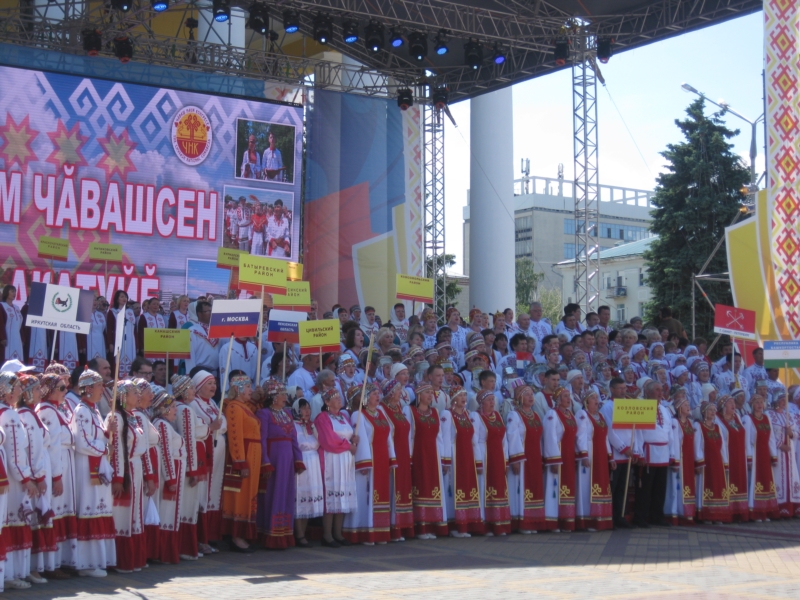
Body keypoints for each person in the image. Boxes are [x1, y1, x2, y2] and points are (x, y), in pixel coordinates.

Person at [70, 368, 116, 577]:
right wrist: (104, 447)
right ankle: (86, 564)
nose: (101, 390)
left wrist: (108, 431)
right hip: (86, 466)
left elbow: (97, 436)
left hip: (97, 465)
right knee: (89, 508)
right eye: (98, 386)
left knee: (100, 509)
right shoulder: (81, 411)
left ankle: (98, 560)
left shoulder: (95, 410)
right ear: (88, 388)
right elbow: (82, 442)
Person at [344, 384, 395, 545]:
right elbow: (362, 439)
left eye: (378, 393)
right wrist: (364, 463)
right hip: (369, 460)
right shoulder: (359, 415)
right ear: (366, 398)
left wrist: (392, 458)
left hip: (382, 458)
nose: (377, 396)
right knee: (365, 495)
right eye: (373, 394)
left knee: (381, 494)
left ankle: (380, 532)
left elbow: (389, 436)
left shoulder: (381, 413)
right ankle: (365, 532)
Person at [256, 380, 304, 549]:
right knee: (271, 495)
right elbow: (261, 439)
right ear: (274, 397)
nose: (285, 397)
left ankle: (283, 533)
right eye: (282, 394)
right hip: (274, 460)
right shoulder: (264, 414)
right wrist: (265, 461)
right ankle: (269, 535)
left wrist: (298, 460)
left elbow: (294, 439)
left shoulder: (288, 414)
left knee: (286, 495)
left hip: (288, 460)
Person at [15, 374, 54, 584]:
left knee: (35, 519)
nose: (41, 392)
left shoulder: (31, 414)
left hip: (37, 471)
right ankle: (31, 568)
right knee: (33, 519)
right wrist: (38, 477)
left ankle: (35, 567)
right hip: (33, 473)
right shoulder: (27, 416)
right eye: (37, 389)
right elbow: (33, 450)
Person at [106, 380, 147, 573]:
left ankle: (135, 558)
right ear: (123, 396)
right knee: (123, 515)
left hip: (136, 467)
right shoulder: (116, 417)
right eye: (133, 392)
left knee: (135, 513)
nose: (138, 395)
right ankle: (120, 560)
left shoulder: (133, 417)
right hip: (126, 469)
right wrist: (118, 478)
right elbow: (117, 450)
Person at [0, 372, 35, 589]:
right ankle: (10, 574)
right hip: (12, 479)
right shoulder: (10, 416)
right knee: (10, 523)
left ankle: (10, 573)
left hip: (8, 474)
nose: (21, 391)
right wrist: (25, 479)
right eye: (17, 387)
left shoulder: (6, 413)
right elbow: (15, 452)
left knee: (8, 523)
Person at [220, 375, 261, 552]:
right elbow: (235, 436)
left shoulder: (244, 407)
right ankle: (236, 536)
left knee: (249, 494)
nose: (250, 390)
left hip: (253, 453)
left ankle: (243, 534)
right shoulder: (234, 407)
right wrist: (240, 461)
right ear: (238, 389)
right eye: (247, 387)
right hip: (244, 455)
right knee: (240, 495)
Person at [314, 388, 357, 548]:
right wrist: (348, 445)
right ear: (326, 402)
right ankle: (327, 535)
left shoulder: (343, 417)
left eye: (340, 396)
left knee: (342, 495)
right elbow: (328, 440)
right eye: (335, 397)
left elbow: (346, 434)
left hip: (345, 460)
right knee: (331, 495)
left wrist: (353, 438)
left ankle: (338, 533)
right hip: (332, 459)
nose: (339, 399)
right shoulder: (322, 418)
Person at [406, 381, 448, 539]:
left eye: (431, 392)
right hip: (418, 454)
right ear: (418, 395)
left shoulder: (436, 413)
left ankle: (432, 525)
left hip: (433, 456)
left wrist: (443, 459)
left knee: (433, 488)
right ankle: (422, 527)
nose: (430, 395)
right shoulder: (411, 412)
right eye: (426, 392)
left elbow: (439, 438)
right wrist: (410, 458)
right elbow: (409, 437)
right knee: (421, 487)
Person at [191, 370, 226, 553]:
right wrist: (213, 427)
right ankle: (200, 539)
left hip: (217, 453)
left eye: (214, 383)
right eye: (209, 383)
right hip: (205, 454)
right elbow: (207, 425)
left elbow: (223, 424)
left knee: (213, 493)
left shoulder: (212, 403)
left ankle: (210, 536)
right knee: (202, 494)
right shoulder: (194, 404)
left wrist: (216, 427)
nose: (213, 386)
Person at [507, 385, 550, 534]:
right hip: (523, 457)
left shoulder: (536, 416)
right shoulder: (514, 415)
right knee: (522, 486)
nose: (531, 397)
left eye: (532, 394)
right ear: (519, 398)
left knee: (535, 486)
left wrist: (543, 458)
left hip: (535, 457)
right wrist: (516, 459)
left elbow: (541, 439)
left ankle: (534, 521)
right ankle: (523, 522)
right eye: (527, 395)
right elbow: (513, 437)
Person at [440, 386, 482, 537]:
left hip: (467, 455)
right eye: (460, 395)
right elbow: (445, 438)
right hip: (455, 455)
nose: (464, 398)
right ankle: (455, 525)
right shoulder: (447, 414)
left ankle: (467, 523)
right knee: (454, 488)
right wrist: (445, 460)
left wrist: (478, 460)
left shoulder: (467, 414)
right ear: (453, 399)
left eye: (465, 395)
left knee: (467, 487)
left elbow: (474, 440)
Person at [149, 390, 184, 564]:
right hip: (169, 475)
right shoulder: (162, 425)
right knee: (167, 514)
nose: (176, 410)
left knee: (171, 514)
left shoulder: (164, 425)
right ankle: (163, 552)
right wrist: (171, 479)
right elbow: (166, 454)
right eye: (173, 407)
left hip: (173, 471)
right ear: (164, 409)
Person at [470, 390, 511, 536]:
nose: (492, 403)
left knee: (499, 488)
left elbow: (504, 440)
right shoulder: (476, 417)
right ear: (481, 403)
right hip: (485, 454)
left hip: (498, 455)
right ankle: (486, 523)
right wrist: (478, 461)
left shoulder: (498, 416)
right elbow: (473, 440)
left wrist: (506, 459)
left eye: (493, 400)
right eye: (489, 400)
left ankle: (499, 523)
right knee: (485, 488)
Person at [379, 376, 414, 542]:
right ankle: (393, 527)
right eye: (399, 390)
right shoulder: (382, 409)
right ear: (391, 393)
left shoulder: (399, 407)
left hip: (404, 453)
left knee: (403, 488)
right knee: (394, 489)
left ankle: (403, 526)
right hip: (392, 454)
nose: (401, 392)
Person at [171, 375, 202, 560]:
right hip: (185, 464)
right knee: (187, 506)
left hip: (179, 462)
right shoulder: (186, 410)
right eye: (190, 388)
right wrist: (193, 469)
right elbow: (189, 440)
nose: (194, 391)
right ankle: (185, 548)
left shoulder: (177, 408)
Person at [634, 380, 673, 528]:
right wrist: (640, 453)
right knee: (645, 487)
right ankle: (641, 517)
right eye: (657, 390)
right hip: (648, 451)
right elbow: (637, 432)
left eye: (661, 390)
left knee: (660, 487)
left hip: (663, 452)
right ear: (649, 392)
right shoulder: (643, 407)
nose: (660, 393)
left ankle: (657, 516)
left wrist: (671, 454)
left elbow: (669, 432)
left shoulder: (664, 409)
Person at [575, 390, 614, 531]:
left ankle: (602, 519)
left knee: (602, 484)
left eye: (597, 397)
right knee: (587, 486)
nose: (596, 400)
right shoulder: (582, 415)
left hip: (601, 455)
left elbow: (605, 438)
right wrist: (584, 454)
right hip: (590, 454)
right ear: (586, 401)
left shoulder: (601, 416)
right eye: (593, 398)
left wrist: (610, 457)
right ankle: (588, 520)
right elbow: (580, 436)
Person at [543, 386, 578, 532]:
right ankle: (553, 521)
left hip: (569, 455)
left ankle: (567, 520)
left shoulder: (570, 414)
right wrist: (554, 459)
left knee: (568, 486)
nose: (568, 399)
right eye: (564, 396)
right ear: (557, 399)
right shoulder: (552, 414)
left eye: (568, 396)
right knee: (555, 487)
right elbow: (550, 437)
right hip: (558, 454)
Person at [742, 395, 779, 522]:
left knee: (766, 481)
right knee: (755, 481)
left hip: (765, 454)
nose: (759, 405)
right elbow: (746, 440)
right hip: (755, 452)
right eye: (757, 402)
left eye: (761, 402)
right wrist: (749, 457)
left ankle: (766, 511)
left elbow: (771, 438)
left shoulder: (766, 418)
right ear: (752, 404)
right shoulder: (748, 419)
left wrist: (774, 455)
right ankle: (756, 512)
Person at [293, 398, 324, 547]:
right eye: (303, 408)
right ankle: (299, 535)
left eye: (308, 408)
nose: (307, 411)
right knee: (300, 497)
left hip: (314, 462)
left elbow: (321, 442)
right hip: (301, 462)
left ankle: (303, 533)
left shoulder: (312, 426)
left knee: (308, 499)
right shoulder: (293, 426)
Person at [665, 387, 697, 526]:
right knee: (675, 487)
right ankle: (674, 513)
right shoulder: (675, 423)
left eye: (688, 405)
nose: (688, 407)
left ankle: (687, 513)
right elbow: (674, 443)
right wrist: (676, 461)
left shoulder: (690, 423)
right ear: (679, 408)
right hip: (680, 461)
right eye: (685, 405)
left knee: (688, 485)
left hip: (689, 460)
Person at [716, 394, 749, 522]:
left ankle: (740, 512)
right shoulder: (718, 419)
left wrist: (748, 456)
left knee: (740, 481)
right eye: (730, 403)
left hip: (739, 456)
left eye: (733, 403)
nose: (733, 405)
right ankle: (728, 512)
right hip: (727, 455)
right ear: (723, 406)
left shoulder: (737, 417)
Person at [767, 392, 800, 518]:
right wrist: (780, 444)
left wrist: (791, 433)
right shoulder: (769, 414)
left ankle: (792, 507)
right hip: (778, 451)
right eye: (780, 400)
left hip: (790, 452)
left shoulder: (789, 415)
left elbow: (796, 432)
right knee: (778, 477)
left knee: (791, 477)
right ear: (775, 400)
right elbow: (768, 433)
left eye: (784, 400)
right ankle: (778, 508)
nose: (783, 402)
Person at [184, 301, 221, 378]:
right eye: (208, 311)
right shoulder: (192, 331)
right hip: (200, 373)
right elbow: (190, 355)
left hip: (216, 373)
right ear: (199, 314)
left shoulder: (217, 330)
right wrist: (191, 375)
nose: (211, 314)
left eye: (212, 311)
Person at [106, 290, 137, 377]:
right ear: (117, 299)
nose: (124, 298)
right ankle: (118, 378)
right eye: (122, 296)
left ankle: (131, 377)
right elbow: (109, 329)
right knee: (119, 359)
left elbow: (134, 329)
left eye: (125, 297)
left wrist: (137, 344)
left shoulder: (130, 312)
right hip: (118, 340)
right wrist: (110, 343)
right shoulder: (112, 311)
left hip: (131, 340)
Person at [0, 285, 24, 363]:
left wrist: (23, 339)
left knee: (17, 357)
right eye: (12, 291)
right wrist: (2, 338)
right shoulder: (2, 306)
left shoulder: (17, 308)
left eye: (15, 291)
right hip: (7, 338)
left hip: (17, 338)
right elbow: (1, 323)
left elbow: (21, 325)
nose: (14, 293)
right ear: (7, 292)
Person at [87, 296, 108, 362]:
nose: (94, 302)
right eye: (92, 300)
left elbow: (104, 331)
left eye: (95, 300)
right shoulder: (84, 313)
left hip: (100, 340)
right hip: (89, 339)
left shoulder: (101, 314)